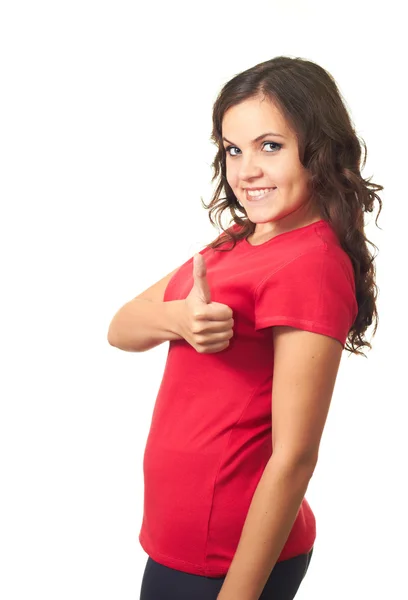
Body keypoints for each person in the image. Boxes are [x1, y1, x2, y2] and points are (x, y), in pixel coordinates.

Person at [107, 56, 383, 600]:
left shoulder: (311, 263)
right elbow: (121, 327)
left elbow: (295, 456)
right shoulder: (240, 237)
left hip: (229, 558)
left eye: (270, 146)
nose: (246, 170)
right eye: (233, 149)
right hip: (179, 542)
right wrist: (181, 319)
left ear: (318, 150)